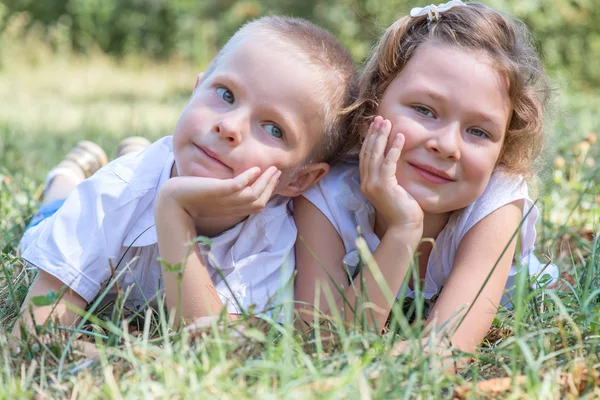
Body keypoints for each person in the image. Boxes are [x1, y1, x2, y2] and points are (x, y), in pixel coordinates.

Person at [13, 16, 358, 340]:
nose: (230, 127)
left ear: (299, 179)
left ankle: (131, 148)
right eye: (225, 94)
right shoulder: (111, 196)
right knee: (53, 210)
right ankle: (65, 174)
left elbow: (213, 346)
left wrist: (174, 209)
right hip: (74, 212)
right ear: (195, 89)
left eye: (273, 129)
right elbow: (33, 336)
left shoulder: (272, 238)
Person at [293, 0, 558, 356]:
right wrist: (403, 230)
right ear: (373, 106)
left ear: (503, 148)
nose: (447, 145)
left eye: (479, 132)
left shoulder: (497, 203)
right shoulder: (327, 199)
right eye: (424, 110)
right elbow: (323, 344)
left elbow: (446, 350)